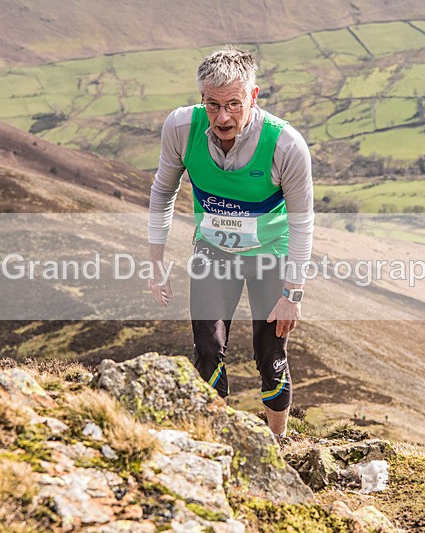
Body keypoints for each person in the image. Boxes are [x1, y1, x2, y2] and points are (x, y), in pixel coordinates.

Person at [147, 46, 314, 440]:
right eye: (212, 104)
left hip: (270, 256)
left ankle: (277, 445)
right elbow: (162, 193)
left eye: (234, 104)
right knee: (207, 350)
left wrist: (294, 292)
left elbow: (302, 223)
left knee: (270, 356)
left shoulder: (286, 145)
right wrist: (156, 262)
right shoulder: (180, 128)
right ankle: (214, 442)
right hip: (214, 251)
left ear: (253, 97)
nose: (222, 116)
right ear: (202, 98)